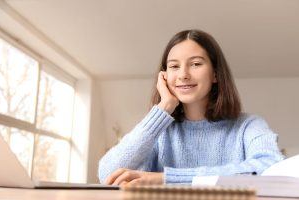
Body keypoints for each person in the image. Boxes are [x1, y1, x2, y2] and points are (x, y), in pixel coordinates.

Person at [98, 29, 284, 186]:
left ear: (215, 75)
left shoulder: (248, 126)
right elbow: (107, 174)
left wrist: (167, 179)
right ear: (164, 76)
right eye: (174, 66)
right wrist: (164, 107)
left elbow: (270, 168)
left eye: (195, 64)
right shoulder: (159, 132)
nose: (183, 75)